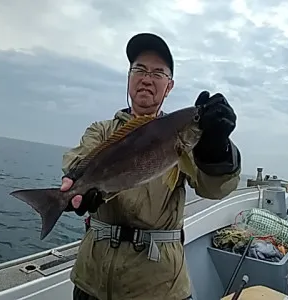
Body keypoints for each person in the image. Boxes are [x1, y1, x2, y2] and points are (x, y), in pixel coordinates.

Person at [60, 32, 241, 300]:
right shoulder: (101, 131)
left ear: (169, 86)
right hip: (92, 281)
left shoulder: (186, 140)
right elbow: (77, 163)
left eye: (158, 73)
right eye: (140, 70)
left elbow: (214, 189)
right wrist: (74, 186)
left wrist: (216, 148)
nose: (147, 78)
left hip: (159, 287)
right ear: (129, 78)